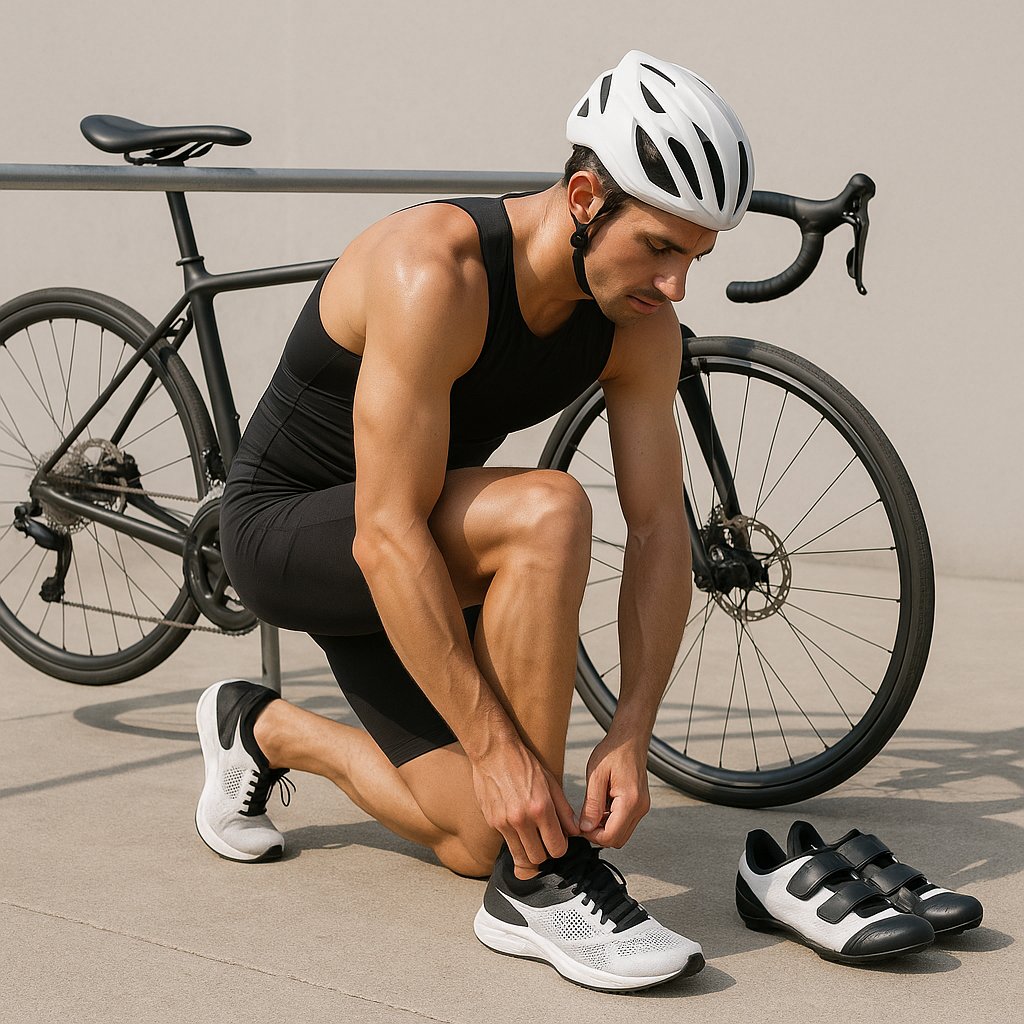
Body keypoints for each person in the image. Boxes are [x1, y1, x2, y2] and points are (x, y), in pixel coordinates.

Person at [195, 49, 753, 992]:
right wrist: (500, 750)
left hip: (426, 544)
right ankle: (541, 887)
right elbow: (384, 532)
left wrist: (629, 731)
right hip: (296, 534)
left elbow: (661, 531)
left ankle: (263, 730)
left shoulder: (636, 322)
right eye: (659, 247)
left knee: (475, 836)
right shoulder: (436, 269)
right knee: (547, 507)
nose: (676, 287)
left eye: (694, 258)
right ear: (584, 197)